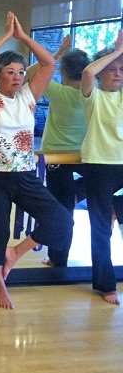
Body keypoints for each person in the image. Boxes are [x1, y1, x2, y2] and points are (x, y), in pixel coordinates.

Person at [0, 11, 73, 310]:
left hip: (25, 174)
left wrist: (24, 37)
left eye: (20, 72)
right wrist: (5, 37)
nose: (16, 77)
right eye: (10, 72)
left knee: (61, 220)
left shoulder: (29, 97)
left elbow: (49, 63)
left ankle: (16, 254)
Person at [27, 35, 90, 267]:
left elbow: (31, 72)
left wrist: (55, 55)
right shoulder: (90, 95)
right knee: (70, 200)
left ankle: (57, 259)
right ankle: (77, 193)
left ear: (63, 72)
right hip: (82, 157)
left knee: (64, 210)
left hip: (56, 158)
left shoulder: (59, 92)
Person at [79, 29, 123, 305]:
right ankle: (106, 285)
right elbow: (86, 74)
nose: (118, 74)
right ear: (102, 72)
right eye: (112, 70)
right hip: (99, 165)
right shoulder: (93, 97)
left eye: (122, 70)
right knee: (101, 227)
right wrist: (116, 51)